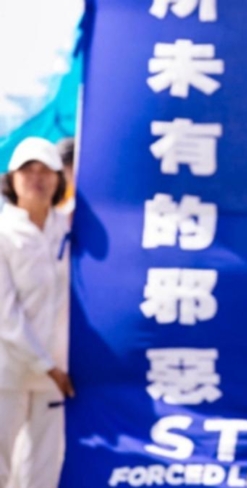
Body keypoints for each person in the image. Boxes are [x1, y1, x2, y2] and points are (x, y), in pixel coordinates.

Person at [0, 136, 74, 488]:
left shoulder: (69, 229)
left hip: (56, 373)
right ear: (12, 179)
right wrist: (44, 363)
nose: (36, 178)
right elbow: (5, 313)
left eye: (46, 170)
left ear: (59, 179)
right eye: (27, 170)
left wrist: (55, 365)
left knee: (44, 468)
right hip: (9, 369)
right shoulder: (4, 232)